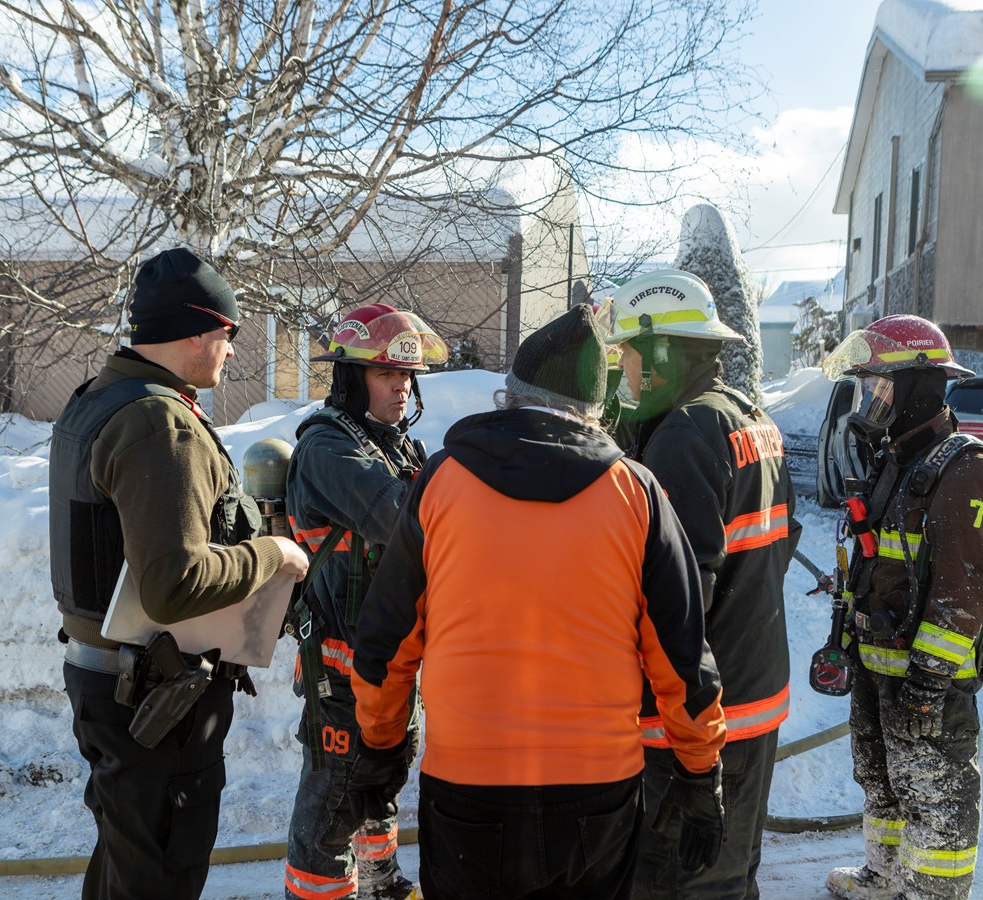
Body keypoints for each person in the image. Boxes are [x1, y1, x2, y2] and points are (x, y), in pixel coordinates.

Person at [349, 305, 728, 900]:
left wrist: (380, 750)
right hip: (597, 794)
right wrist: (700, 772)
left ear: (512, 395)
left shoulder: (441, 482)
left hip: (469, 790)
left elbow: (387, 641)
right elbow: (681, 656)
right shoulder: (635, 492)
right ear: (595, 410)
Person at [48, 247, 309, 900]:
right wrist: (274, 555)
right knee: (157, 876)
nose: (231, 349)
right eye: (228, 332)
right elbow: (174, 584)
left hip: (113, 683)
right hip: (155, 699)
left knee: (127, 866)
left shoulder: (98, 398)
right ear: (196, 331)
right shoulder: (159, 422)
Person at [602, 270, 801, 900]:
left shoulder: (684, 435)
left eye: (630, 355)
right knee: (729, 876)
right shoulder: (750, 419)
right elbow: (784, 542)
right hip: (753, 696)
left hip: (699, 722)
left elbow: (677, 604)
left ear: (662, 353)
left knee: (674, 883)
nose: (624, 371)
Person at [820, 315, 983, 900]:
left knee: (936, 796)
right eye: (867, 389)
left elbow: (965, 586)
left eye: (880, 388)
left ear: (918, 388)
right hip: (878, 663)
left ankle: (931, 894)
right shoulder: (896, 459)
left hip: (928, 680)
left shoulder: (963, 469)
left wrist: (928, 681)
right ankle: (884, 877)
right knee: (883, 781)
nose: (870, 403)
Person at [282, 303, 448, 900]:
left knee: (380, 783)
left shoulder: (397, 446)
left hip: (389, 665)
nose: (401, 387)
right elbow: (403, 517)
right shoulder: (329, 449)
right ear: (352, 378)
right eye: (386, 373)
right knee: (332, 811)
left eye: (407, 375)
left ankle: (381, 883)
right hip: (342, 670)